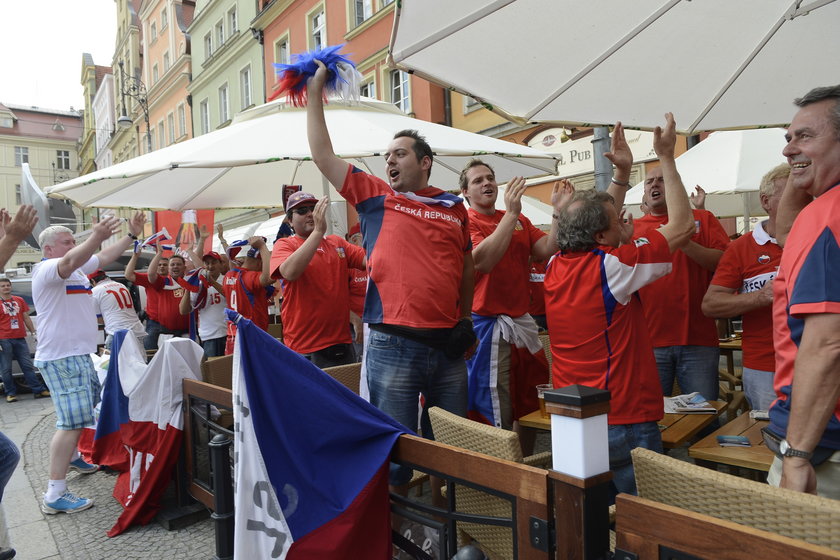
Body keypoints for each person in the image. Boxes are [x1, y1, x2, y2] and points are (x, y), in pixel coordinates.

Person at [307, 60, 475, 489]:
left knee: (452, 448)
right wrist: (314, 96)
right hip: (394, 342)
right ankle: (398, 537)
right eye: (386, 157)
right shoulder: (377, 196)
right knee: (396, 450)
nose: (389, 162)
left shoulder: (455, 208)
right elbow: (323, 156)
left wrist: (466, 317)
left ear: (426, 162)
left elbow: (465, 265)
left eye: (399, 154)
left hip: (448, 345)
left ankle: (445, 528)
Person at [544, 113, 695, 498]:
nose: (624, 223)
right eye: (617, 223)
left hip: (574, 415)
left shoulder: (554, 265)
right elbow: (682, 226)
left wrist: (623, 176)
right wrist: (666, 157)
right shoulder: (614, 265)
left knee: (589, 518)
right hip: (622, 414)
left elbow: (593, 219)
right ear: (600, 236)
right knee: (638, 520)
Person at [33, 212, 145, 514]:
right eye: (66, 242)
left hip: (77, 354)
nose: (73, 246)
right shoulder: (46, 269)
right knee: (70, 423)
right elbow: (71, 261)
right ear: (49, 249)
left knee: (83, 410)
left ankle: (72, 458)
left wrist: (131, 236)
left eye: (74, 241)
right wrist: (94, 235)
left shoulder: (77, 271)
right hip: (62, 356)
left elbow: (104, 255)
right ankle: (55, 493)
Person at [765, 85, 840, 499]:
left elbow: (828, 345)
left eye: (805, 136)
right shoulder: (820, 212)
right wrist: (805, 163)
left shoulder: (827, 217)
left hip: (823, 441)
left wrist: (796, 455)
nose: (787, 150)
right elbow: (787, 227)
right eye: (787, 138)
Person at [633, 157, 730, 401]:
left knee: (703, 417)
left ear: (676, 187)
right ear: (645, 192)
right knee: (652, 417)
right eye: (649, 182)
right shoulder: (632, 229)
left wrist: (683, 241)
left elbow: (723, 264)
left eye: (662, 180)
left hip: (697, 339)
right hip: (649, 341)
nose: (654, 185)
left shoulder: (703, 219)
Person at [701, 164, 789, 410]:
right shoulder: (741, 248)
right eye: (791, 194)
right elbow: (711, 305)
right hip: (765, 366)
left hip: (821, 363)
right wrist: (760, 297)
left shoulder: (822, 237)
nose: (801, 201)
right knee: (768, 441)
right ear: (766, 201)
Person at [270, 191, 366, 367]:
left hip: (341, 342)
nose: (309, 214)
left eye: (313, 209)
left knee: (345, 393)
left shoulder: (336, 243)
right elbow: (290, 272)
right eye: (301, 211)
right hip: (305, 347)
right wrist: (318, 232)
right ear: (289, 221)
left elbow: (370, 261)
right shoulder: (285, 244)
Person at [0, 205, 37, 560]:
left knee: (6, 454)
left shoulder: (15, 301)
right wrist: (10, 238)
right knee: (6, 454)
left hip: (16, 340)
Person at [0, 277, 49, 402]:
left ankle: (38, 390)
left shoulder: (19, 300)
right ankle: (10, 393)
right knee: (6, 369)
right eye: (3, 286)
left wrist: (33, 332)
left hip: (20, 338)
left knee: (27, 366)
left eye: (7, 285)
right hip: (4, 339)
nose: (6, 287)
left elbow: (26, 317)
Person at [222, 236, 272, 354]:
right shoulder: (249, 277)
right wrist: (262, 247)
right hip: (250, 335)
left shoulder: (228, 275)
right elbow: (270, 277)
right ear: (260, 264)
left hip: (232, 335)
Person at [179, 251, 228, 358]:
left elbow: (231, 296)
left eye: (214, 262)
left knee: (229, 371)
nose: (210, 266)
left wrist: (212, 282)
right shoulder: (199, 284)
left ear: (221, 264)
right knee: (213, 372)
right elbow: (183, 310)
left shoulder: (226, 280)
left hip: (228, 333)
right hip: (208, 336)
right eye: (207, 263)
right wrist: (188, 287)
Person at [88, 270, 146, 350]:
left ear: (93, 281)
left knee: (115, 361)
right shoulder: (121, 285)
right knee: (138, 360)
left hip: (117, 332)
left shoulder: (95, 291)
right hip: (136, 330)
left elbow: (99, 319)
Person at [125, 250, 169, 350]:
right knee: (150, 351)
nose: (161, 266)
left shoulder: (176, 279)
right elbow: (128, 275)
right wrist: (135, 256)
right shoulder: (149, 279)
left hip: (172, 323)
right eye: (159, 264)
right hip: (154, 322)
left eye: (165, 265)